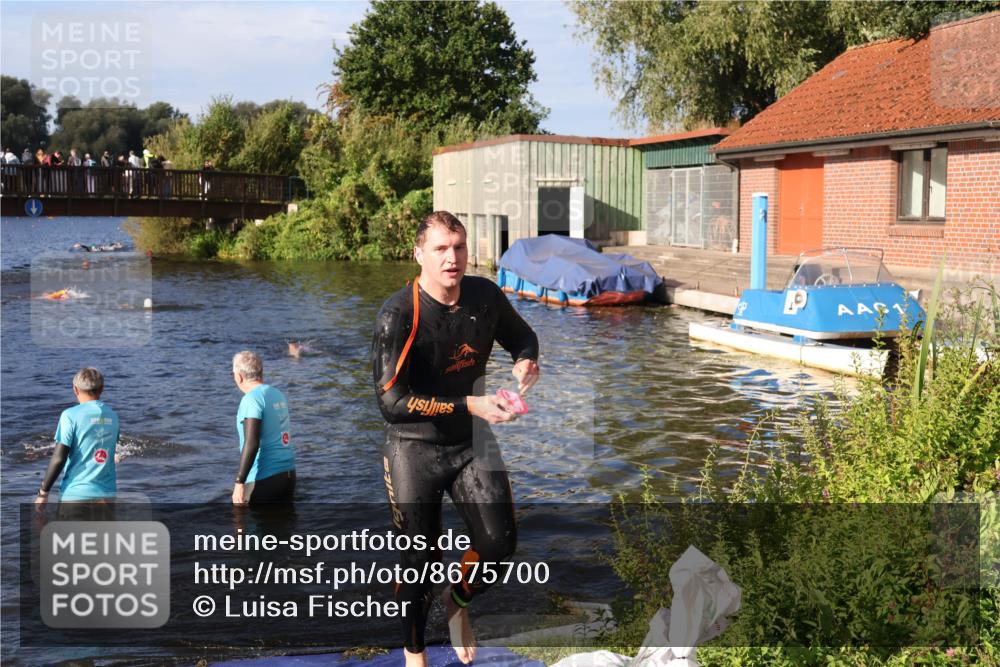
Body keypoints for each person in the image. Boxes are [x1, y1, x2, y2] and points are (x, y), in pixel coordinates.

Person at [371, 211, 540, 667]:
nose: (452, 258)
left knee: (499, 544)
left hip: (473, 439)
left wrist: (526, 362)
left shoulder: (484, 296)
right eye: (441, 248)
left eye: (459, 247)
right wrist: (470, 404)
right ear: (419, 254)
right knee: (418, 561)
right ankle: (414, 653)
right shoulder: (399, 314)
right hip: (413, 444)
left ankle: (457, 601)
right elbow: (391, 402)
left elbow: (524, 337)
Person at [34, 368, 120, 505]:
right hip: (106, 497)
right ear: (102, 388)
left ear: (75, 389)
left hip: (75, 496)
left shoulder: (69, 415)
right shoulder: (113, 416)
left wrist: (43, 493)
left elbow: (58, 458)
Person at [231, 351, 296, 505]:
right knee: (281, 526)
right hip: (288, 475)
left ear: (238, 376)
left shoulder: (251, 400)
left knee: (245, 526)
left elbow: (252, 443)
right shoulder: (277, 394)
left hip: (263, 478)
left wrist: (239, 482)